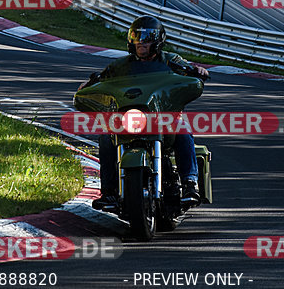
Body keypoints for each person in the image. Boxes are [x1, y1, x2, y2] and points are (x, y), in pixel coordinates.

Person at [78, 15, 209, 212]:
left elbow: (190, 72)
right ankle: (109, 192)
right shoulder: (120, 66)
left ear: (158, 40)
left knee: (183, 129)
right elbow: (99, 80)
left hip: (164, 117)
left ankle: (191, 184)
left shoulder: (171, 61)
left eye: (147, 38)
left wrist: (197, 71)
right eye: (137, 36)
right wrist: (88, 85)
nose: (141, 42)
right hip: (129, 118)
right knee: (106, 137)